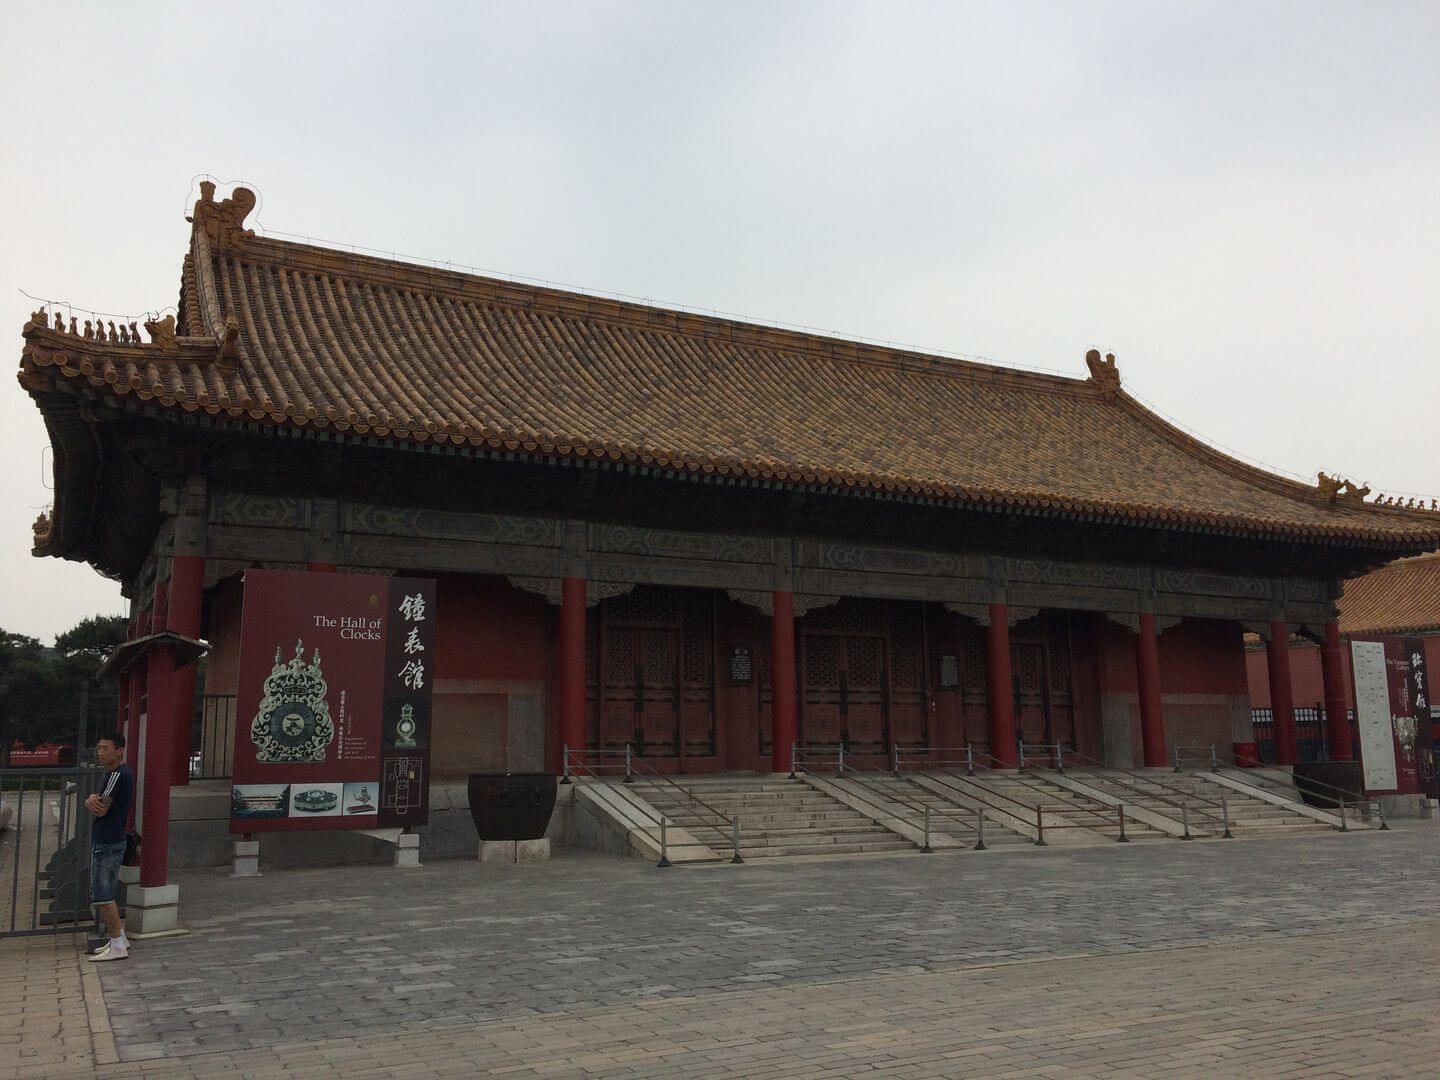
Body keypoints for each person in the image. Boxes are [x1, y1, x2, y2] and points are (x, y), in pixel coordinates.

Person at [85, 733, 133, 962]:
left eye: (105, 748)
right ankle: (119, 937)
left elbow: (101, 808)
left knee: (103, 895)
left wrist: (90, 800)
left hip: (107, 839)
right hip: (112, 838)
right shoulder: (118, 774)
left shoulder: (118, 774)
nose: (100, 752)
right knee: (105, 892)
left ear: (119, 750)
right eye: (99, 747)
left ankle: (116, 944)